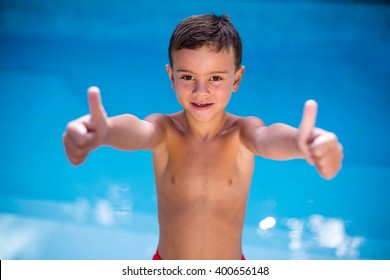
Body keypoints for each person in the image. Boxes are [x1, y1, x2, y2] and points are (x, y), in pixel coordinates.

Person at [62, 14, 343, 260]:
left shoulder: (243, 132)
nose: (200, 91)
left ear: (236, 79)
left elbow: (267, 138)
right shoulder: (165, 130)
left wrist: (300, 143)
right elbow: (138, 131)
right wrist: (106, 131)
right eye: (187, 77)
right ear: (171, 76)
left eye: (216, 78)